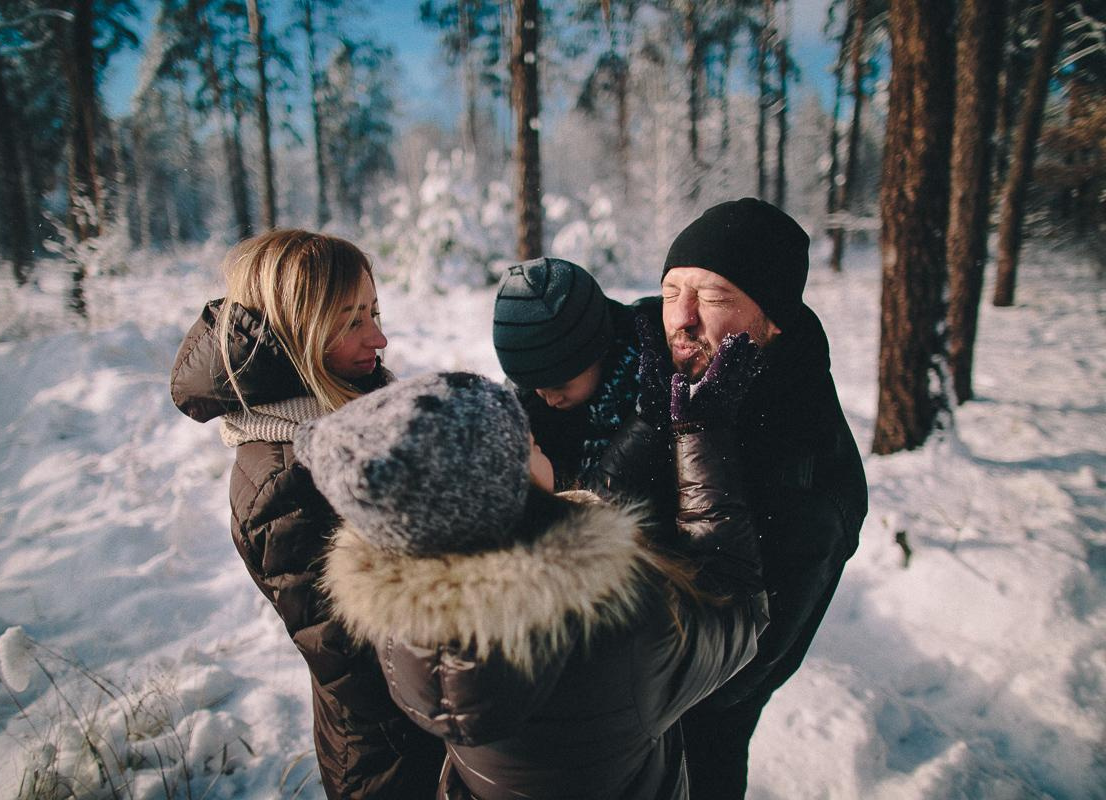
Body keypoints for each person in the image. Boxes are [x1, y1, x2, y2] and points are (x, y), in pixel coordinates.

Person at [294, 370, 770, 800]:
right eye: (527, 445)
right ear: (504, 492)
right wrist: (700, 434)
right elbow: (740, 611)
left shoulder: (406, 617)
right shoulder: (615, 626)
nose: (537, 439)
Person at [169, 229, 445, 799]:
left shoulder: (350, 410)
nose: (380, 337)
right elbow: (356, 654)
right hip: (392, 753)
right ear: (299, 331)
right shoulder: (284, 482)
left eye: (374, 311)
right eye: (351, 322)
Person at [624, 198, 869, 797]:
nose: (680, 318)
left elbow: (732, 672)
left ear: (773, 319)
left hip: (694, 736)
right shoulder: (684, 377)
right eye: (670, 290)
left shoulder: (807, 474)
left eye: (712, 298)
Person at [492, 257, 645, 492]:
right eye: (537, 387)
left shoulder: (652, 389)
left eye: (561, 385)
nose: (551, 399)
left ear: (599, 351)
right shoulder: (521, 412)